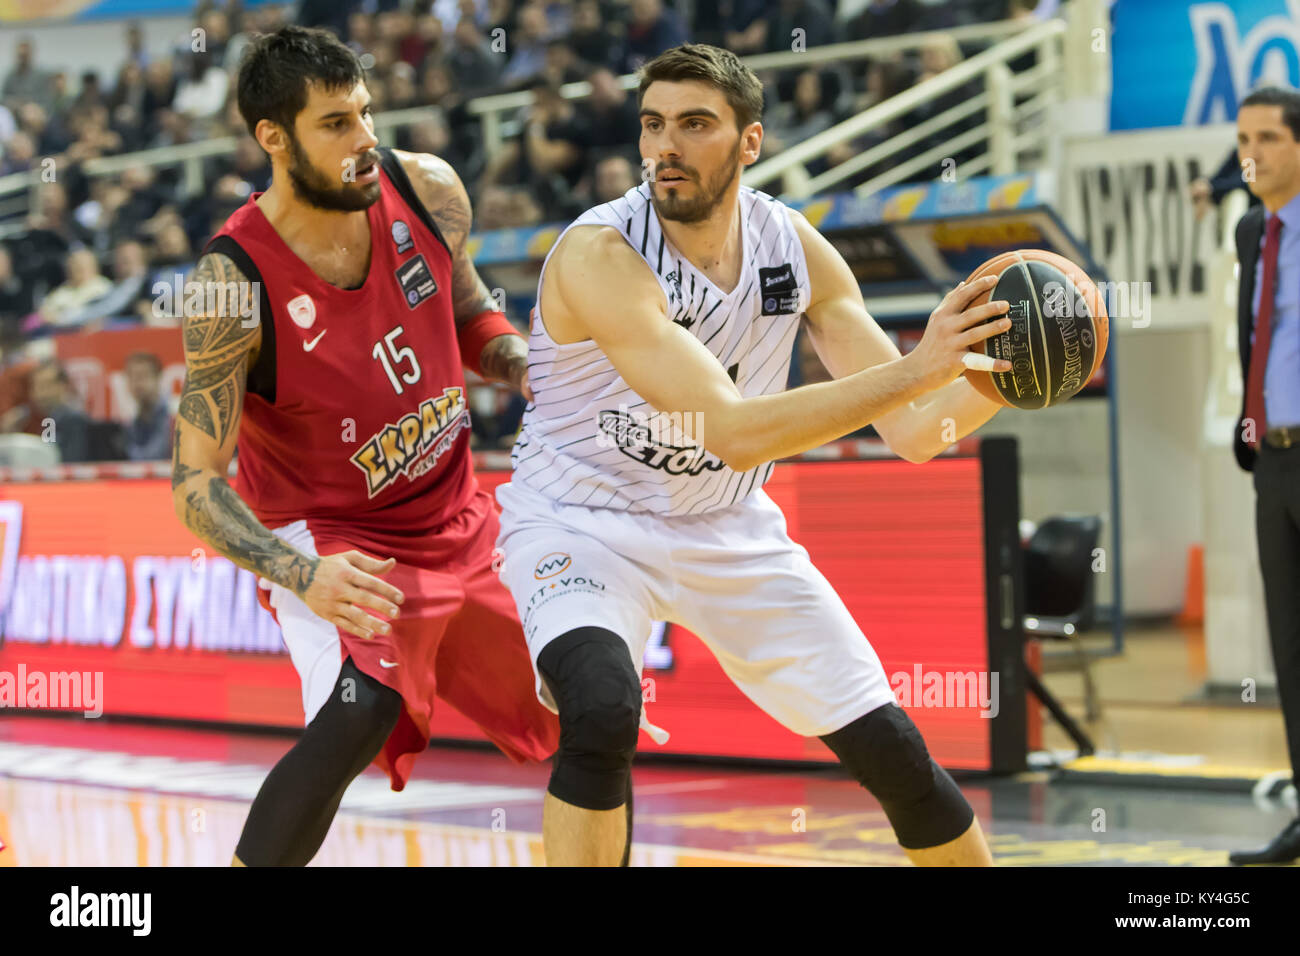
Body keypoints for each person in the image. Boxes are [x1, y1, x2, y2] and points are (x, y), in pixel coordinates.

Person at [494, 43, 1011, 867]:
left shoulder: (792, 247)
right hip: (579, 518)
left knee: (894, 753)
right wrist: (921, 366)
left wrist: (1006, 377)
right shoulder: (602, 254)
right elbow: (732, 432)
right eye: (653, 124)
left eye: (695, 124)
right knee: (601, 710)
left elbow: (918, 433)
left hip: (727, 522)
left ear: (750, 141)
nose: (665, 147)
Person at [170, 25, 559, 868]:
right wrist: (299, 574)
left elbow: (469, 312)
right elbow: (194, 484)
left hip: (457, 513)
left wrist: (521, 365)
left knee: (594, 693)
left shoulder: (426, 188)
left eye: (367, 113)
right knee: (361, 712)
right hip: (334, 538)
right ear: (274, 137)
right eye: (336, 123)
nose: (365, 139)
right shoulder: (231, 284)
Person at [1228, 85, 1300, 866]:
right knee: (1289, 646)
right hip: (1273, 461)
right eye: (1244, 139)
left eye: (1269, 138)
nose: (1251, 154)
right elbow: (1251, 334)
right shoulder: (1253, 230)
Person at [123, 351, 172, 461]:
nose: (137, 383)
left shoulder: (171, 415)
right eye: (131, 377)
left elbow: (156, 457)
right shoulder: (134, 420)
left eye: (142, 376)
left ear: (158, 378)